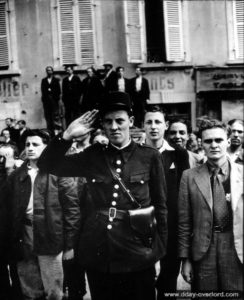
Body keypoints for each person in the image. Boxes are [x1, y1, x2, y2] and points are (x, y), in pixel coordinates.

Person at [38, 91, 168, 300]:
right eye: (108, 122)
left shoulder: (149, 157)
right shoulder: (93, 156)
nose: (114, 127)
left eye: (120, 120)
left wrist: (158, 253)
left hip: (138, 249)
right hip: (100, 249)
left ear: (131, 121)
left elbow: (161, 206)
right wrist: (67, 135)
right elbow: (47, 164)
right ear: (103, 125)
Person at [4, 129, 80, 300]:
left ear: (46, 148)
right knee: (30, 290)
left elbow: (72, 210)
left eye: (36, 144)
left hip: (51, 235)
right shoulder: (17, 175)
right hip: (24, 235)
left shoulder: (59, 173)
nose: (30, 148)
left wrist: (69, 245)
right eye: (27, 144)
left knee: (54, 291)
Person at [178, 119, 243, 296]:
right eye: (208, 141)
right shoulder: (189, 176)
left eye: (219, 140)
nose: (213, 145)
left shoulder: (242, 174)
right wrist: (186, 259)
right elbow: (184, 222)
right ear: (201, 144)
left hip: (235, 248)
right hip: (203, 250)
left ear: (228, 141)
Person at [143, 105, 189, 299]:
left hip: (171, 225)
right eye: (149, 122)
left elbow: (184, 191)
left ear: (165, 125)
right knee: (143, 279)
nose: (153, 127)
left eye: (158, 122)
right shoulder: (136, 152)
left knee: (168, 280)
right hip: (142, 226)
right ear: (142, 125)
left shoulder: (178, 154)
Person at [41, 66, 61, 134]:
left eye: (50, 70)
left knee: (55, 117)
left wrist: (55, 98)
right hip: (47, 102)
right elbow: (43, 91)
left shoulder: (55, 80)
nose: (49, 71)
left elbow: (58, 91)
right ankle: (50, 132)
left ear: (52, 71)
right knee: (48, 117)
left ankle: (57, 132)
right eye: (47, 70)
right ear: (46, 72)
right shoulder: (44, 80)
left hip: (54, 101)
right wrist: (45, 99)